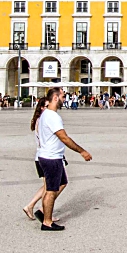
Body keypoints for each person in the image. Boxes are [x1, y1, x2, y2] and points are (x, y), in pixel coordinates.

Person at [24, 87, 92, 231]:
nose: (64, 99)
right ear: (55, 98)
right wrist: (82, 151)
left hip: (52, 156)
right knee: (51, 190)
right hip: (51, 158)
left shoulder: (46, 115)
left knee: (62, 183)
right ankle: (47, 222)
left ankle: (44, 212)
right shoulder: (52, 116)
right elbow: (64, 137)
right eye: (62, 96)